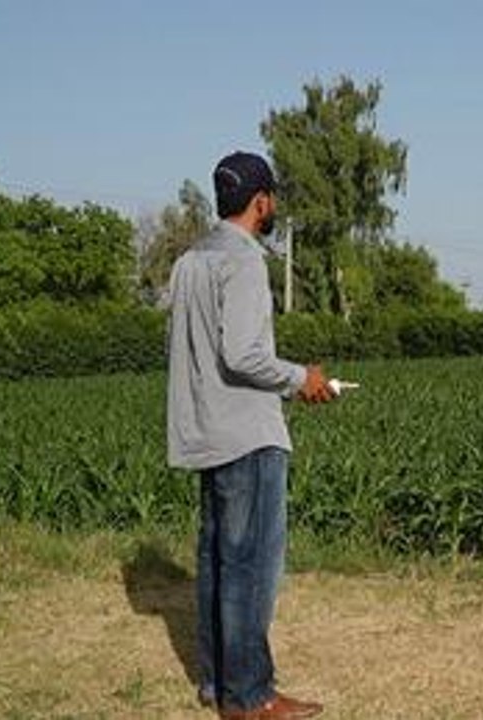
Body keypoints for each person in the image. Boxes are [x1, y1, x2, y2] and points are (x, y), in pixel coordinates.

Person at [167, 151, 333, 719]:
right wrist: (302, 379)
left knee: (217, 561)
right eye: (273, 198)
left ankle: (218, 684)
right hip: (247, 434)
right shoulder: (243, 260)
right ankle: (252, 696)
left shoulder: (191, 260)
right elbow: (242, 354)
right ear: (262, 202)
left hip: (206, 430)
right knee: (251, 568)